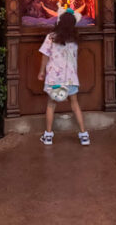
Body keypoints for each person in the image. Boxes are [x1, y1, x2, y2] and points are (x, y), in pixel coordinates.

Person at [37, 10, 90, 146]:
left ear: (59, 22)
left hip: (54, 79)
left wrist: (41, 71)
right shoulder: (74, 40)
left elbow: (45, 56)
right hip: (71, 78)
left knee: (51, 104)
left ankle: (48, 136)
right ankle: (84, 135)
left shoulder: (51, 37)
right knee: (75, 104)